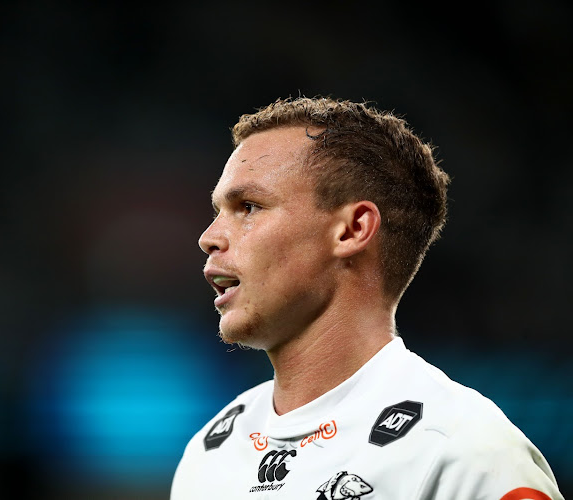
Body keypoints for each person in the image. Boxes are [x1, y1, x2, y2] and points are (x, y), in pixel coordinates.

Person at [171, 96, 563, 499]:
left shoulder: (461, 455)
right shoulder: (210, 453)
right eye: (218, 210)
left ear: (352, 230)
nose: (209, 237)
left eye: (248, 207)